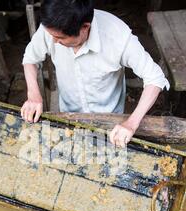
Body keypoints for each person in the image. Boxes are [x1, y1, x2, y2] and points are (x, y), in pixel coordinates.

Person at [21, 0, 169, 147]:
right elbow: (30, 59)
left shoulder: (117, 37)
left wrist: (131, 123)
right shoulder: (53, 27)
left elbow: (155, 78)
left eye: (60, 38)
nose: (53, 41)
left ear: (85, 27)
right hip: (68, 113)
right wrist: (33, 94)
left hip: (110, 119)